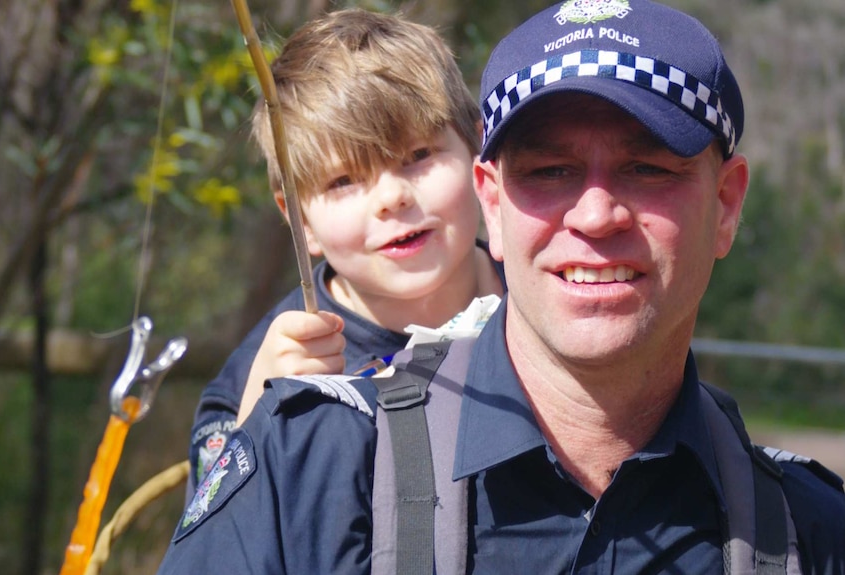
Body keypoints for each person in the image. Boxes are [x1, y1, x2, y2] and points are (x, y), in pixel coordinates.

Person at [160, 0, 845, 573]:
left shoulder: (803, 529)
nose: (595, 214)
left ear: (726, 205)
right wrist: (254, 430)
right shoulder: (304, 454)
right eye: (549, 170)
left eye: (647, 167)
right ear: (497, 199)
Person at [186, 8, 504, 496]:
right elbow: (208, 531)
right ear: (300, 221)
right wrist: (257, 424)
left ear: (478, 154)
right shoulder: (275, 366)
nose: (391, 197)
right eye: (343, 181)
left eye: (418, 156)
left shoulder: (541, 295)